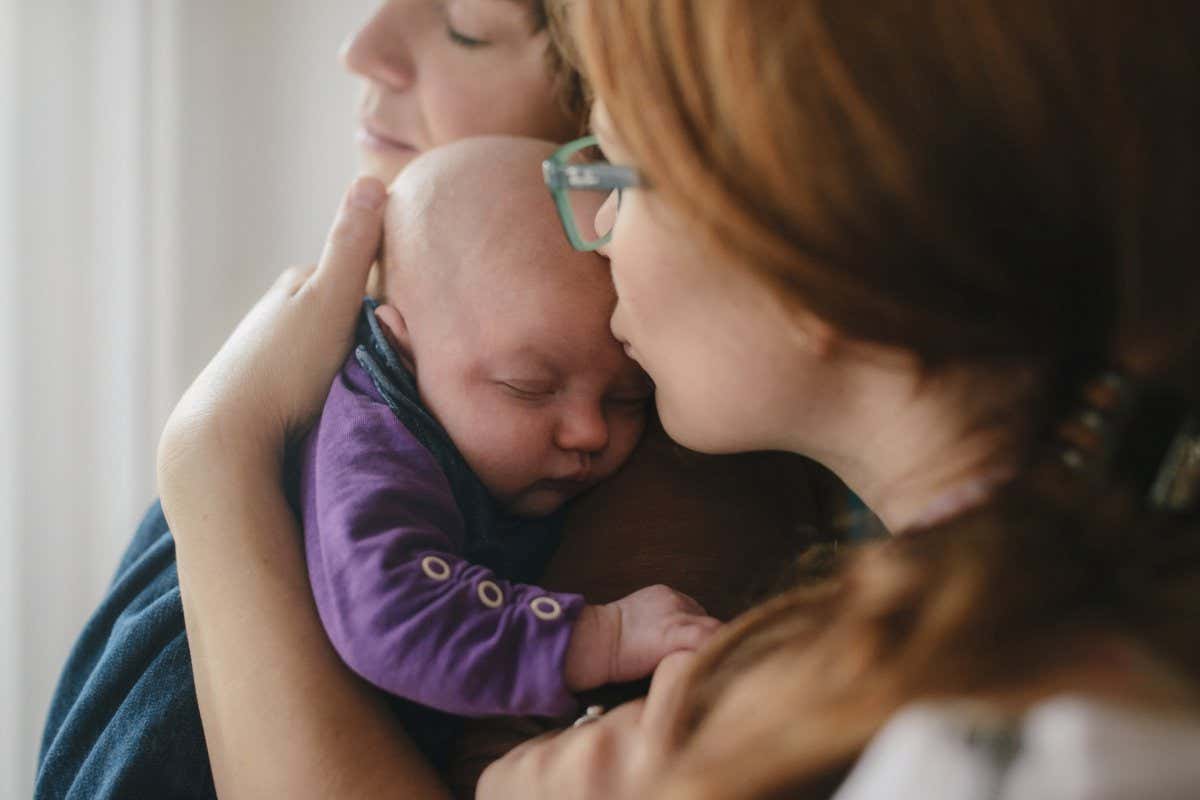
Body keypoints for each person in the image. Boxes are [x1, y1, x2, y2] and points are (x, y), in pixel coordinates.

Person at [153, 0, 1200, 797]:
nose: (593, 231)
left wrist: (216, 461)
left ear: (813, 237)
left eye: (612, 166)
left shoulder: (1044, 747)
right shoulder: (853, 657)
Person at [37, 1, 817, 796]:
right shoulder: (370, 380)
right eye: (529, 385)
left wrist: (211, 456)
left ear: (614, 104)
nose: (361, 49)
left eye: (468, 26)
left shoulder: (690, 456)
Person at [299, 136, 718, 765]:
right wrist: (599, 636)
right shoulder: (372, 432)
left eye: (627, 398)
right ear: (401, 349)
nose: (590, 432)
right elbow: (392, 610)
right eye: (530, 388)